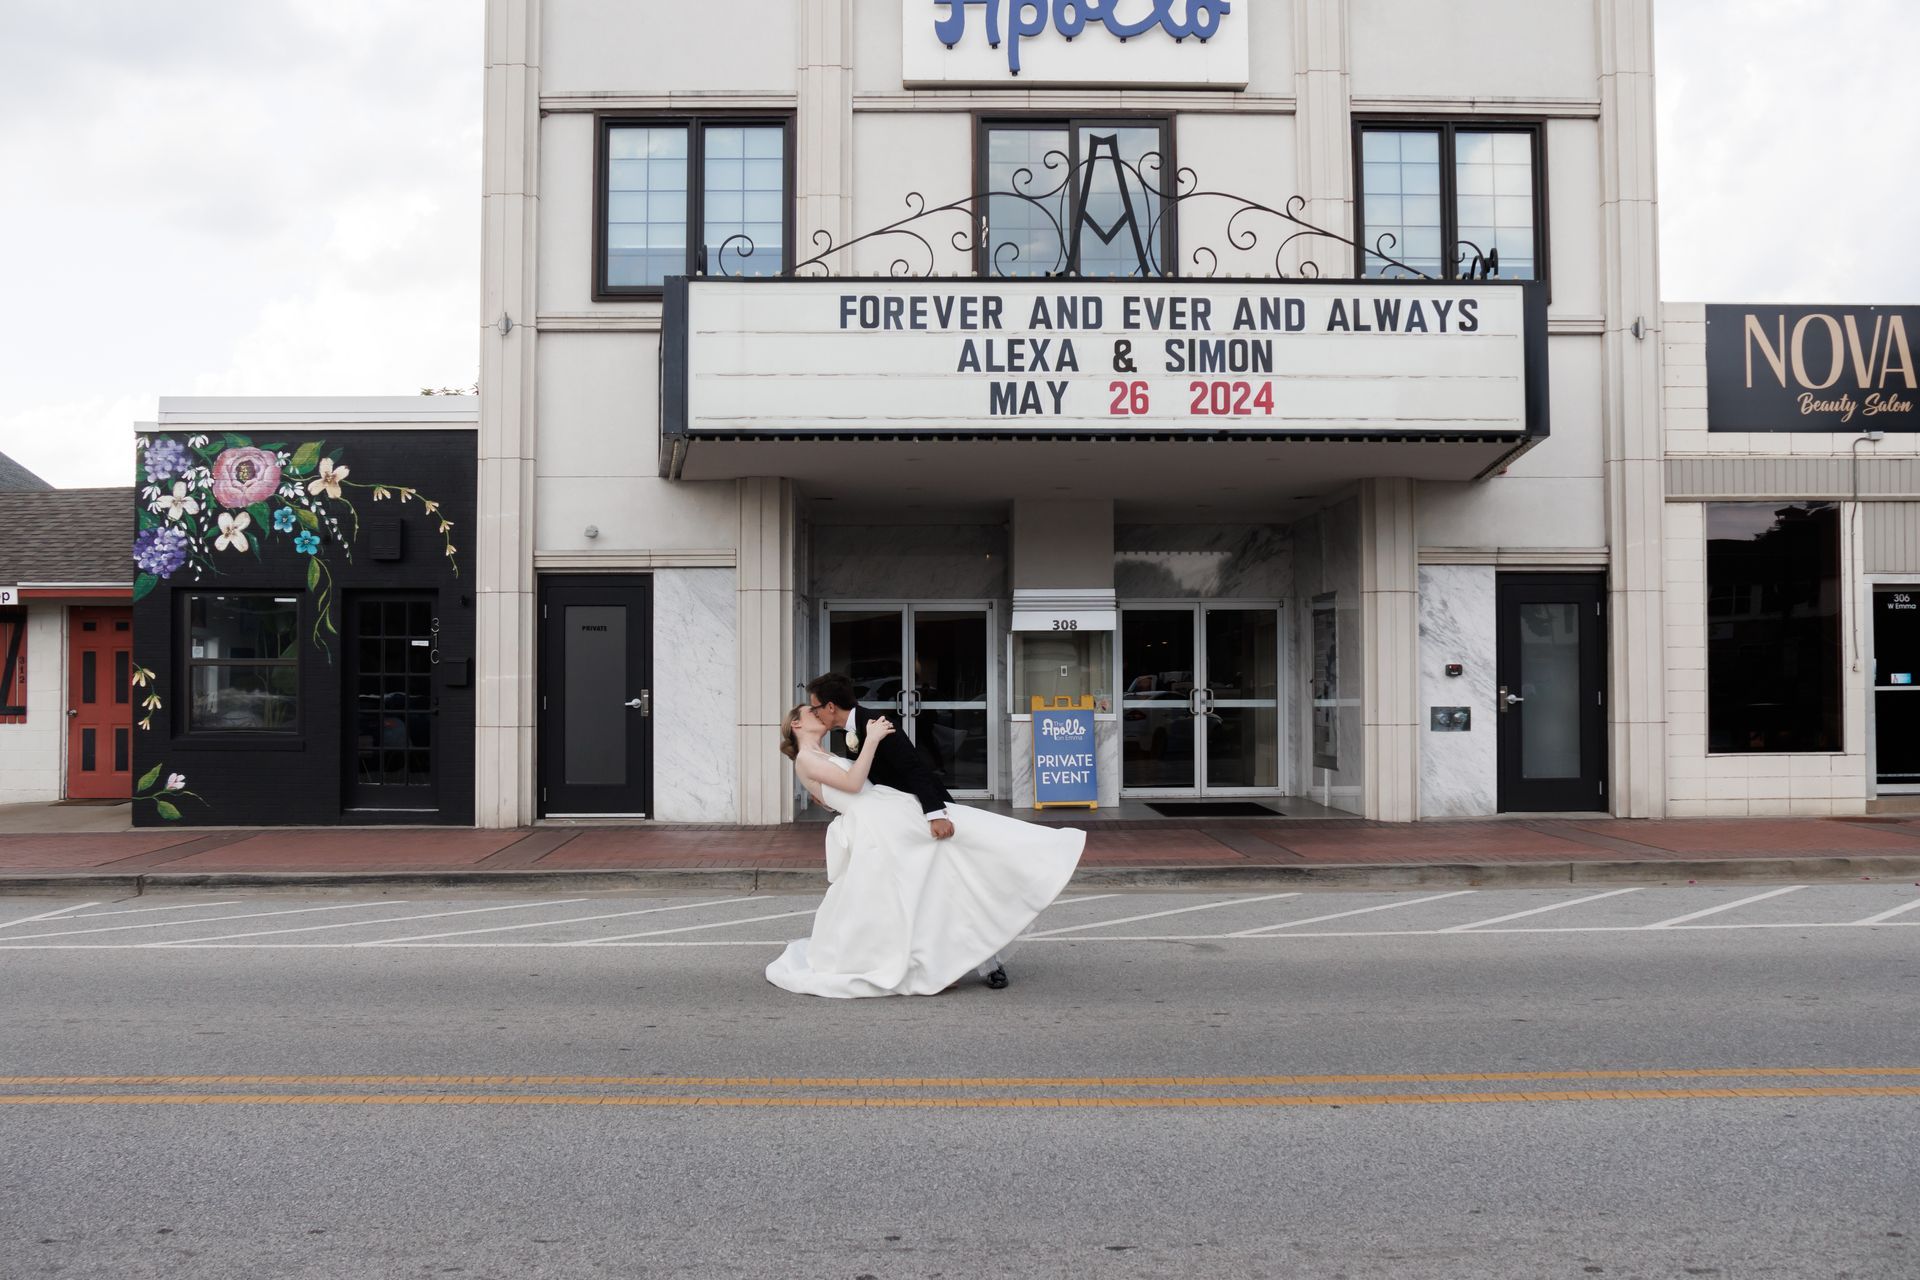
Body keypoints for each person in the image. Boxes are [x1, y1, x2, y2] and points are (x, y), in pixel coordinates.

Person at [766, 684, 1085, 999]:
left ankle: (1032, 873)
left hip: (898, 814)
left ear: (831, 706)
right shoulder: (819, 752)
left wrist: (935, 811)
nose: (818, 714)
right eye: (811, 711)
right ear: (797, 723)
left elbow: (909, 768)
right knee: (920, 892)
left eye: (816, 707)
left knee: (948, 876)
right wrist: (866, 750)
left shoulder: (854, 734)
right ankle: (937, 962)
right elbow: (852, 782)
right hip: (881, 826)